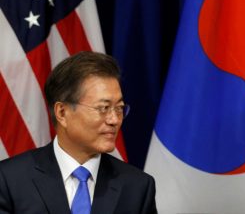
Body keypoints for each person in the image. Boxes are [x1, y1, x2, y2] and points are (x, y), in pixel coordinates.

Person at [0, 51, 157, 213]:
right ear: (62, 112)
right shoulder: (8, 180)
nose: (114, 120)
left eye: (119, 108)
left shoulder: (138, 187)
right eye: (103, 108)